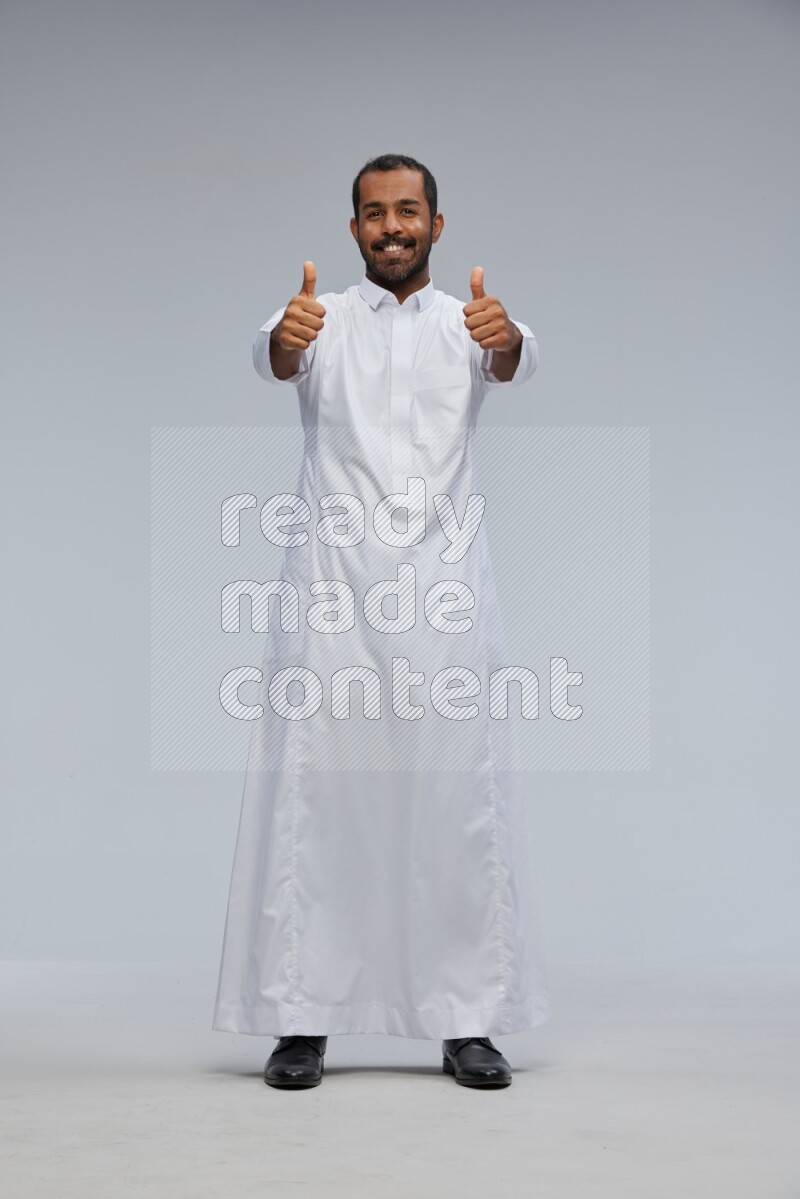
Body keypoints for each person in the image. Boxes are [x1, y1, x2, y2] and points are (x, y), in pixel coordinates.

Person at [212, 153, 550, 1089]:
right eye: (373, 213)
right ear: (353, 228)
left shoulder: (469, 324)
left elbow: (514, 354)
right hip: (332, 599)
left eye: (408, 212)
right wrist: (286, 334)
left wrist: (507, 333)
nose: (391, 227)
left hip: (443, 601)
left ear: (439, 225)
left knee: (454, 806)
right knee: (319, 804)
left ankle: (468, 1018)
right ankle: (301, 1018)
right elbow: (275, 356)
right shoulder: (316, 324)